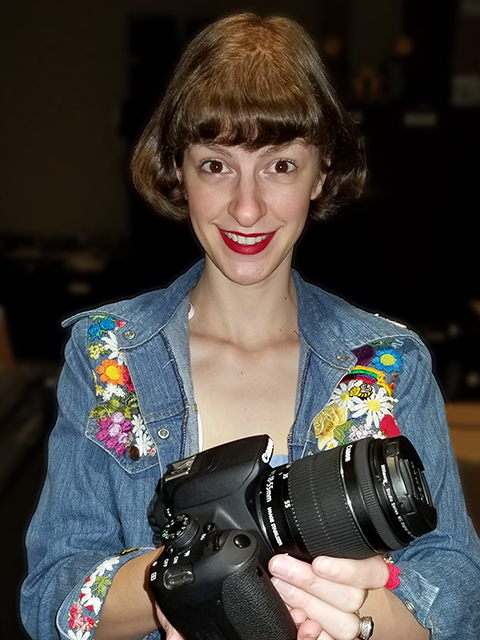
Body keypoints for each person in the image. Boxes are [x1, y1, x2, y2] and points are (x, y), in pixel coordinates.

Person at [21, 12, 480, 640]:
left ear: (322, 172)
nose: (246, 206)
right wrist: (188, 580)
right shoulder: (108, 357)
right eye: (216, 165)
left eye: (280, 165)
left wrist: (360, 614)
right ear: (178, 169)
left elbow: (459, 585)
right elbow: (52, 598)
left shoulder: (388, 363)